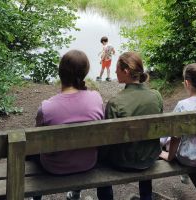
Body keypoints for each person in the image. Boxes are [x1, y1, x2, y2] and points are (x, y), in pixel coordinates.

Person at [31, 50, 104, 200]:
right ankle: (75, 193)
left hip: (54, 167)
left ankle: (36, 197)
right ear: (85, 73)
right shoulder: (96, 99)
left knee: (32, 151)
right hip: (88, 163)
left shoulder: (46, 108)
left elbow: (37, 142)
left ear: (60, 73)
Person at [97, 52, 163, 200]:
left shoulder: (116, 102)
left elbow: (109, 140)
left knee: (100, 161)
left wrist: (99, 156)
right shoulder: (156, 96)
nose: (114, 72)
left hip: (123, 161)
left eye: (117, 69)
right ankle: (146, 197)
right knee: (144, 142)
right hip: (149, 158)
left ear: (126, 72)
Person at [159, 63, 196, 184]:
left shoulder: (183, 105)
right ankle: (185, 175)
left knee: (168, 136)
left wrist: (169, 157)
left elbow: (175, 137)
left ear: (187, 83)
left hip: (187, 158)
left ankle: (184, 172)